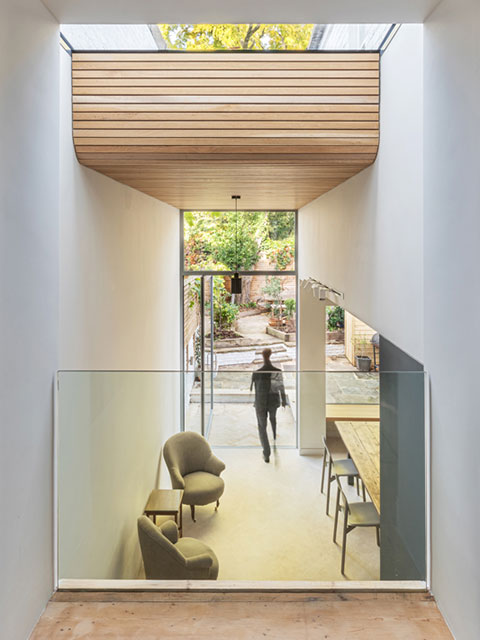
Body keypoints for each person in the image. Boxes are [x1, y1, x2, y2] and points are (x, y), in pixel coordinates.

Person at [250, 348, 287, 463]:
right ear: (271, 355)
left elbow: (254, 390)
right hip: (273, 401)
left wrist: (256, 403)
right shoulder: (277, 371)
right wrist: (284, 400)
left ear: (262, 356)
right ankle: (274, 435)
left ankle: (266, 453)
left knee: (262, 427)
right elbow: (281, 387)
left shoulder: (257, 373)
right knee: (273, 417)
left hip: (261, 402)